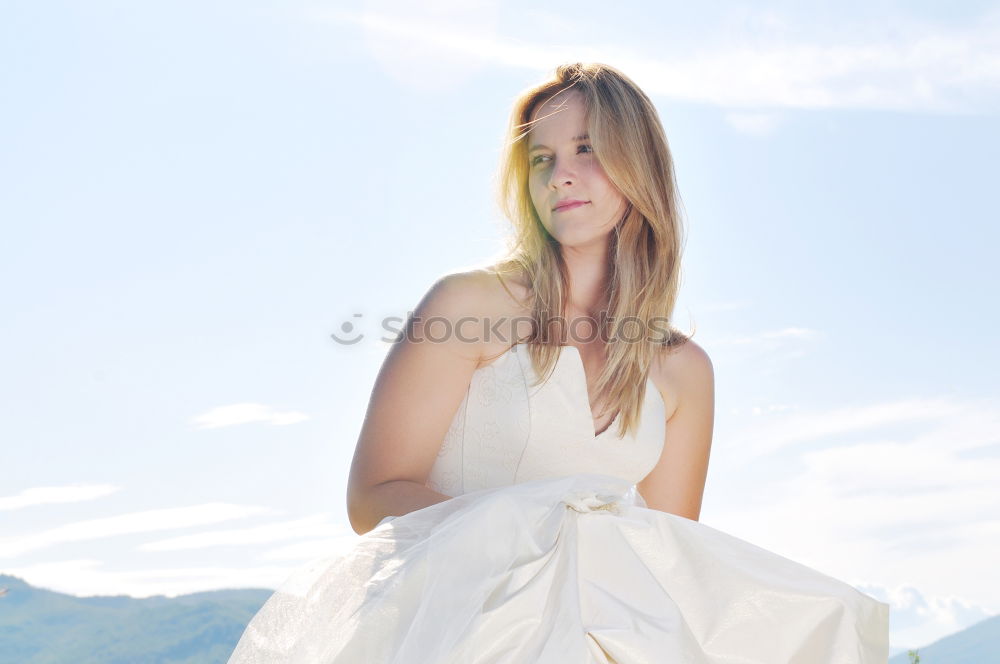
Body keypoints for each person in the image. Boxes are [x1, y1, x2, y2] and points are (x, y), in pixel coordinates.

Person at [227, 62, 889, 663]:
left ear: (642, 169)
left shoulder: (685, 371)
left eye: (587, 150)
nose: (560, 174)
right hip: (454, 634)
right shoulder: (471, 304)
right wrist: (545, 533)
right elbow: (373, 496)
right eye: (541, 158)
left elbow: (667, 558)